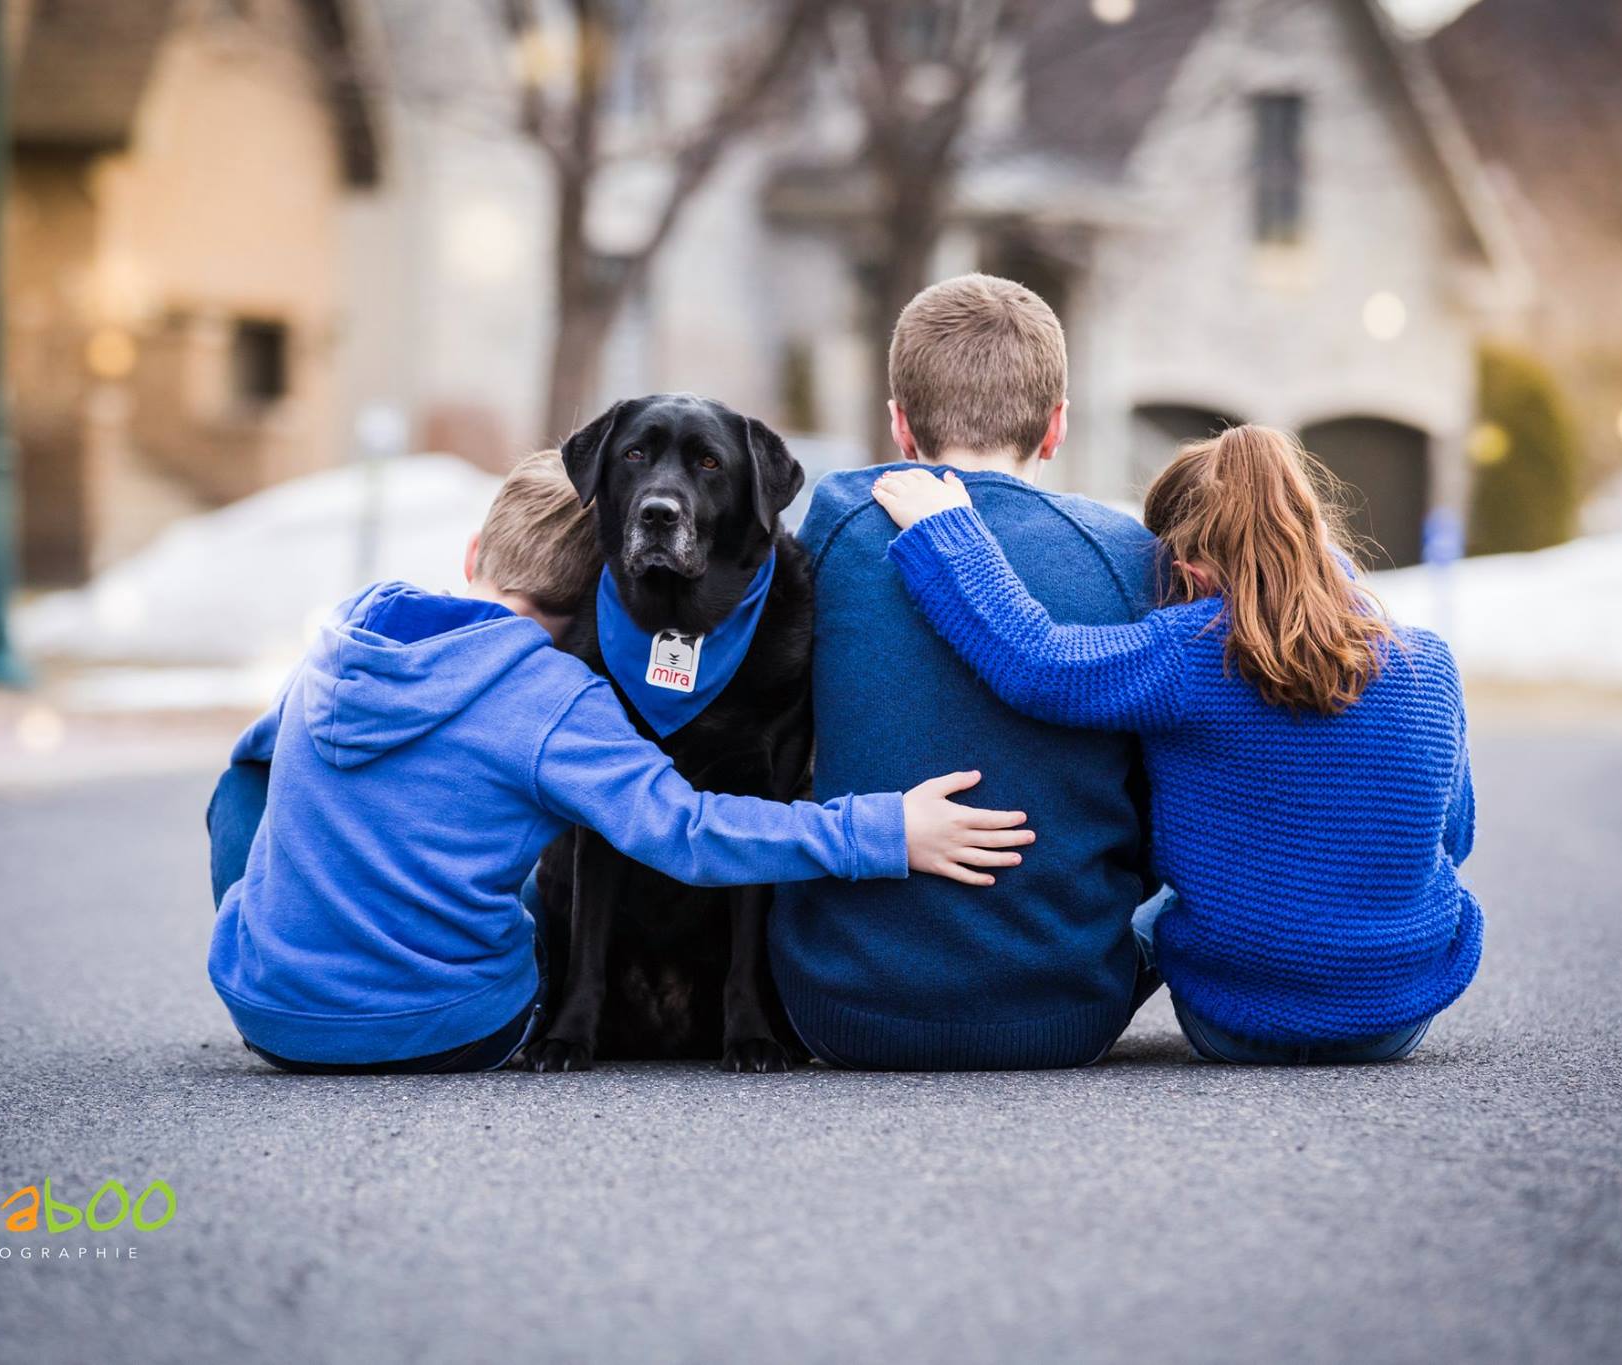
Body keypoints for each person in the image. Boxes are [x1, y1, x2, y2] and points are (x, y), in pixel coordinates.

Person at [204, 452, 1033, 1075]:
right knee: (537, 877)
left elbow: (242, 785)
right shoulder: (557, 694)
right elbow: (690, 831)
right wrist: (885, 828)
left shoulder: (347, 640)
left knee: (256, 782)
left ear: (471, 554)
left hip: (265, 1009)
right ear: (592, 604)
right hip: (447, 1026)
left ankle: (295, 951)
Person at [871, 424, 1482, 1065]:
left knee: (1154, 902)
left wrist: (946, 532)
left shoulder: (1190, 652)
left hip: (1235, 1022)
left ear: (1191, 569)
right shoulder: (1429, 664)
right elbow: (1454, 837)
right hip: (1395, 1017)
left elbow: (1036, 660)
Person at [769, 274, 1165, 1070]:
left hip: (838, 1006)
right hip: (1066, 1014)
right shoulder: (1127, 555)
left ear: (899, 424)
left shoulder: (838, 522)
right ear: (1056, 426)